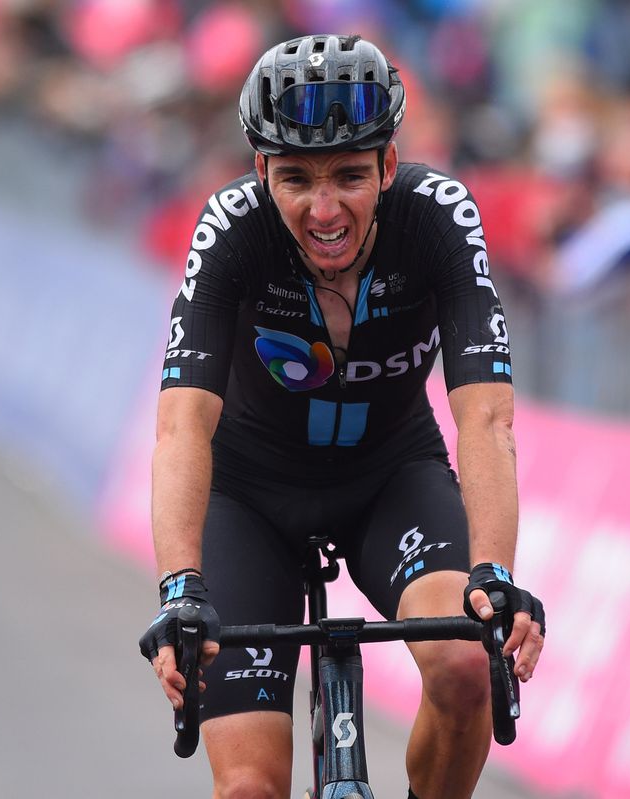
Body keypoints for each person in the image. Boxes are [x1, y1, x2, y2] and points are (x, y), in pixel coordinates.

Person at [136, 33, 546, 799]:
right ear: (261, 171)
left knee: (463, 667)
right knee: (251, 787)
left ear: (388, 167)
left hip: (389, 478)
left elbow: (487, 419)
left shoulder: (438, 218)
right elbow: (180, 426)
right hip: (249, 495)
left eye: (351, 176)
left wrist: (494, 574)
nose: (325, 210)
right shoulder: (231, 226)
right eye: (295, 179)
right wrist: (180, 588)